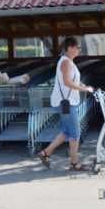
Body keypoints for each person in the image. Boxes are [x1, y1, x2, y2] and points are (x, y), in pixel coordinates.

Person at [38, 37, 97, 171]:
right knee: (75, 133)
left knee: (66, 132)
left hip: (66, 102)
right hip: (67, 103)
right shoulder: (65, 62)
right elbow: (67, 82)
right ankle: (75, 163)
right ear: (70, 48)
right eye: (78, 48)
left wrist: (83, 85)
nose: (79, 50)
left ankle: (45, 153)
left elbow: (72, 80)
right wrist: (85, 89)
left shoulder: (68, 61)